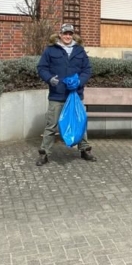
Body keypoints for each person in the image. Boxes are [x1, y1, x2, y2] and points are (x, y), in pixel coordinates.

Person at [36, 23, 97, 166]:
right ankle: (44, 153)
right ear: (60, 35)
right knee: (51, 125)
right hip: (57, 95)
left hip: (75, 95)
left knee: (80, 122)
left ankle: (85, 150)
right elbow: (41, 68)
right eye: (65, 34)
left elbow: (87, 70)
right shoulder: (50, 50)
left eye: (70, 34)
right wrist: (50, 79)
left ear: (73, 35)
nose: (68, 36)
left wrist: (79, 81)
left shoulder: (79, 50)